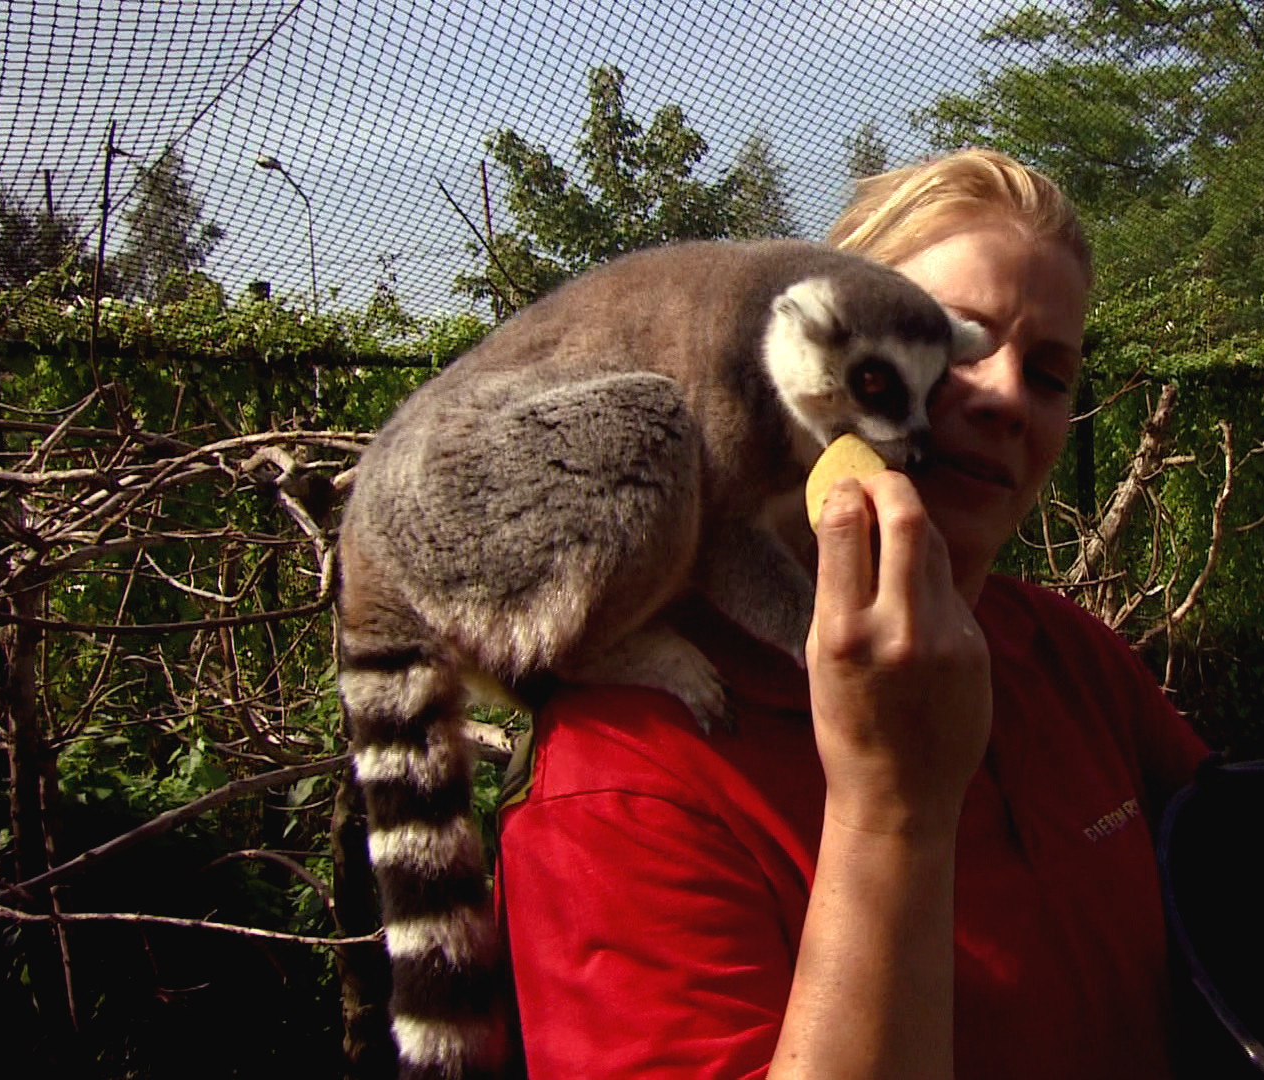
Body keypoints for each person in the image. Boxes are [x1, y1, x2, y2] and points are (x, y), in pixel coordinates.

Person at [497, 148, 1211, 1080]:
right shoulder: (628, 769)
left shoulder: (1063, 654)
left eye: (1047, 374)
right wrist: (891, 807)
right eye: (948, 339)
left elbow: (1241, 878)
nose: (1001, 395)